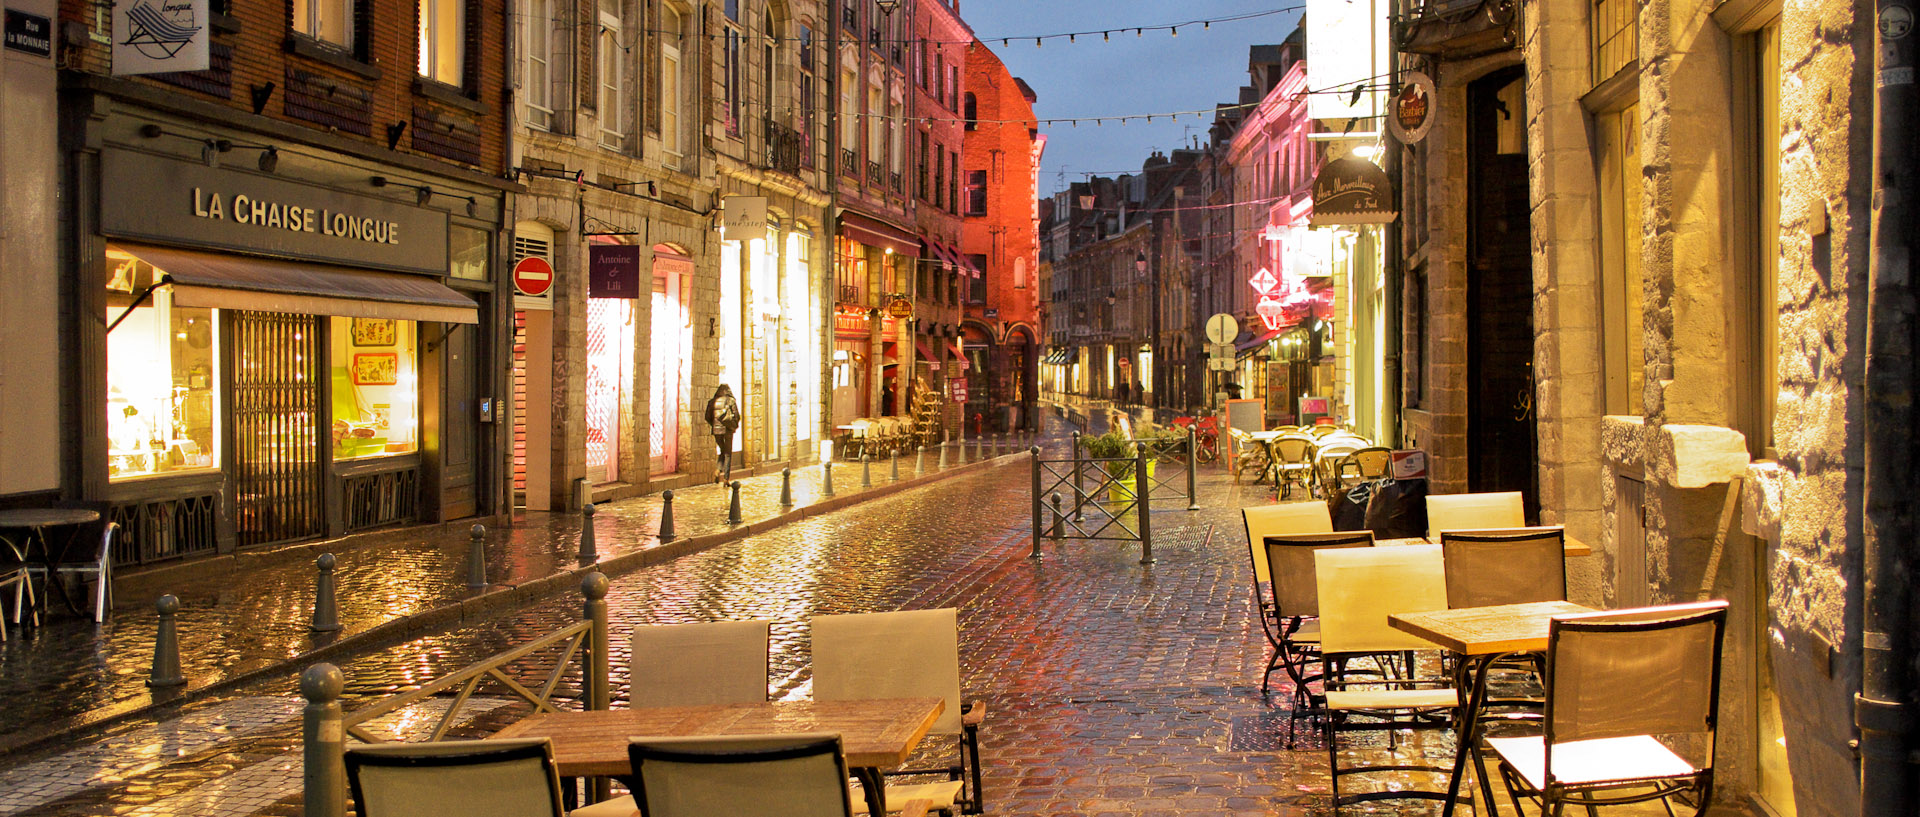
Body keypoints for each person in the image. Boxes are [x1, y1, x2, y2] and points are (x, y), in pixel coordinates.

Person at [705, 384, 741, 483]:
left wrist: (714, 425)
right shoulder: (730, 400)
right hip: (727, 429)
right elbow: (737, 415)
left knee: (722, 450)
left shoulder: (713, 401)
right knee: (728, 453)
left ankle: (718, 469)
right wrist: (734, 425)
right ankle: (726, 478)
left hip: (716, 430)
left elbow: (707, 416)